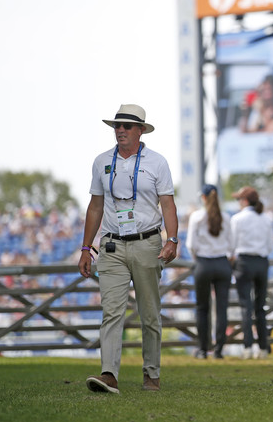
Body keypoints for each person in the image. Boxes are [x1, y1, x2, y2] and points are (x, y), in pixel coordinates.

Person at [78, 104, 178, 394]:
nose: (119, 130)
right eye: (116, 126)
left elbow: (168, 204)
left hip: (148, 243)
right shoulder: (101, 162)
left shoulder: (157, 162)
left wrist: (172, 239)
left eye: (126, 126)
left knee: (150, 314)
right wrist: (86, 247)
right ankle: (108, 374)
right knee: (111, 311)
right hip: (111, 245)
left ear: (141, 131)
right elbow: (95, 206)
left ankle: (151, 374)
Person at [186, 184, 233, 359]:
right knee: (221, 309)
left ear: (203, 198)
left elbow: (191, 245)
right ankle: (219, 350)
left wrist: (197, 259)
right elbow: (231, 245)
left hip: (204, 264)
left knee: (202, 308)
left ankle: (202, 349)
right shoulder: (226, 217)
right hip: (222, 263)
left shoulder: (196, 217)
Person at [230, 186, 273, 360]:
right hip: (261, 261)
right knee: (260, 307)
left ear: (244, 200)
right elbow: (270, 245)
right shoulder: (265, 218)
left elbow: (231, 245)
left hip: (244, 261)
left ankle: (247, 347)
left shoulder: (237, 219)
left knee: (245, 307)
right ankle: (263, 347)